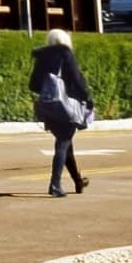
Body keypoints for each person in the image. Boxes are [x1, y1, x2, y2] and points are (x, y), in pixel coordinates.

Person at [33, 25, 93, 196]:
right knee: (63, 143)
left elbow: (34, 85)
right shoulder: (65, 54)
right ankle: (55, 185)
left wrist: (49, 90)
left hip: (48, 106)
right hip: (66, 106)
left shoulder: (41, 57)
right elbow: (76, 79)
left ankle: (78, 181)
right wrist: (87, 99)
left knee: (66, 145)